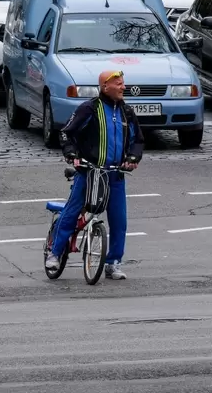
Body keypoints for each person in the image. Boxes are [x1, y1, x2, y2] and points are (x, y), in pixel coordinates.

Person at [45, 69, 145, 280]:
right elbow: (66, 133)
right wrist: (71, 154)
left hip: (115, 175)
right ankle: (54, 253)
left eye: (123, 83)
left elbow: (138, 141)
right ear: (105, 86)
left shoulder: (127, 112)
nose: (123, 87)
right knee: (72, 213)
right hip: (88, 172)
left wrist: (133, 158)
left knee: (119, 221)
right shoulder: (90, 109)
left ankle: (113, 262)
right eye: (118, 84)